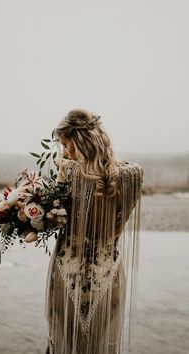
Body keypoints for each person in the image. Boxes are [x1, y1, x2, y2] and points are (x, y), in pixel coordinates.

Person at [45, 109, 144, 354]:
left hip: (68, 269)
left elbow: (60, 220)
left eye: (68, 145)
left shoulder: (68, 171)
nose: (66, 153)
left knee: (63, 343)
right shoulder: (130, 177)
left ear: (84, 142)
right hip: (107, 269)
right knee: (102, 346)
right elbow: (117, 228)